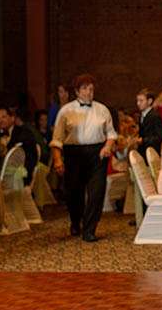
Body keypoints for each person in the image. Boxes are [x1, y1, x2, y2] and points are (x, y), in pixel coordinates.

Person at [50, 74, 117, 242]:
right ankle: (75, 221)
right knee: (74, 193)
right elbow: (57, 138)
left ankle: (89, 229)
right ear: (77, 91)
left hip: (97, 154)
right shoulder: (65, 111)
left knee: (97, 193)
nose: (89, 92)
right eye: (85, 88)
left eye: (91, 89)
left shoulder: (102, 109)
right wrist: (58, 159)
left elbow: (111, 133)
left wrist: (107, 146)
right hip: (73, 154)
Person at [0, 107, 38, 180]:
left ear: (12, 118)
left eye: (3, 117)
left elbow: (31, 158)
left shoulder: (24, 133)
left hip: (18, 175)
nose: (0, 121)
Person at [136, 88, 162, 156]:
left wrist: (143, 140)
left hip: (152, 152)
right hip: (144, 151)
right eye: (137, 100)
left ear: (149, 101)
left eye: (141, 101)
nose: (138, 103)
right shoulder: (141, 115)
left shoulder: (155, 116)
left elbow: (160, 136)